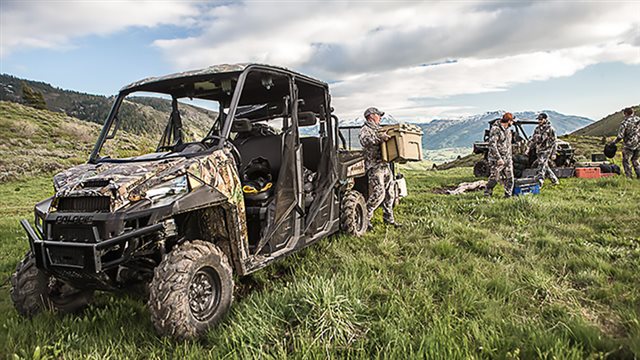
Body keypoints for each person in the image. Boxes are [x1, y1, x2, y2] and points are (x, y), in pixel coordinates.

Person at [359, 107, 400, 228]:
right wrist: (379, 138)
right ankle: (366, 219)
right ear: (371, 116)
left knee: (390, 193)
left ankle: (389, 220)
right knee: (379, 193)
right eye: (378, 115)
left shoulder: (379, 128)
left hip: (384, 165)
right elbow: (365, 141)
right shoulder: (365, 129)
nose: (380, 117)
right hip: (374, 166)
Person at [484, 112, 515, 197]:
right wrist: (498, 158)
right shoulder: (495, 129)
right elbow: (492, 145)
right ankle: (487, 193)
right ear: (508, 121)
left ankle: (508, 195)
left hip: (507, 158)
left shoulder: (508, 130)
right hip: (497, 159)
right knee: (494, 178)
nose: (513, 122)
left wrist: (510, 157)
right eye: (512, 121)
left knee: (510, 178)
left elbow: (508, 145)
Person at [527, 113, 559, 187]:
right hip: (539, 150)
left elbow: (554, 142)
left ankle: (539, 183)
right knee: (544, 165)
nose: (539, 121)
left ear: (545, 119)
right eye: (539, 119)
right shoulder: (537, 129)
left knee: (541, 166)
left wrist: (554, 153)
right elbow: (533, 140)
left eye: (541, 119)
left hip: (547, 150)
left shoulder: (550, 129)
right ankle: (555, 180)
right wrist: (528, 148)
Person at [610, 107, 640, 178]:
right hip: (639, 144)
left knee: (626, 161)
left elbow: (620, 136)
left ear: (626, 113)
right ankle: (639, 175)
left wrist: (613, 143)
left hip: (629, 145)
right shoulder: (638, 119)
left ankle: (629, 177)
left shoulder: (625, 122)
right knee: (635, 160)